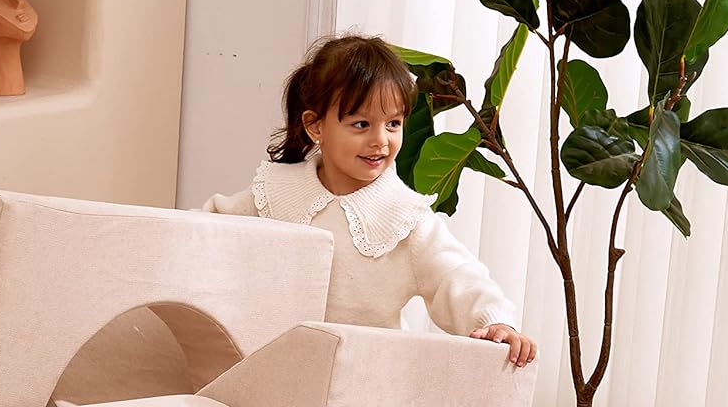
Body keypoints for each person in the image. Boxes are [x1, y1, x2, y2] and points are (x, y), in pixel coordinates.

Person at [205, 33, 537, 367]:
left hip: (365, 376)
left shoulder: (405, 218)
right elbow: (207, 231)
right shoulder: (275, 190)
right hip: (275, 368)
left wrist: (494, 321)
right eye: (361, 124)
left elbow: (458, 275)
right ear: (315, 126)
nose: (381, 140)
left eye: (393, 124)